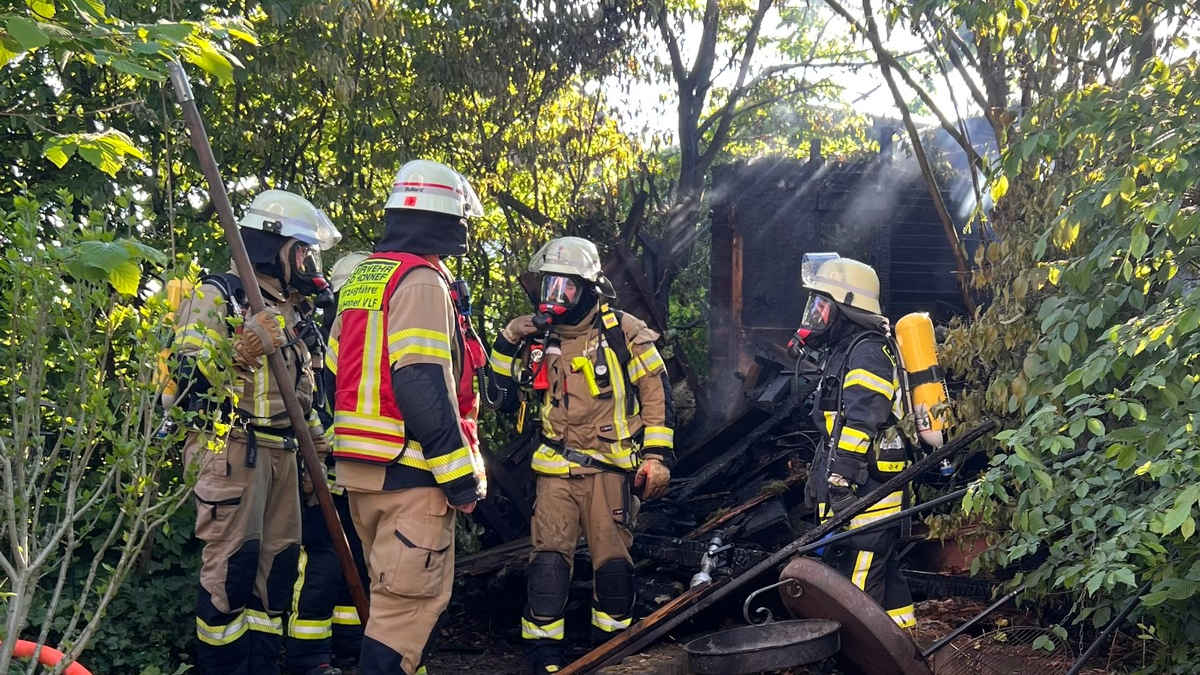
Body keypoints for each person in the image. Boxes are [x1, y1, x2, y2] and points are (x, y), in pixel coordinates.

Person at [325, 160, 489, 675]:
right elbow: (420, 384)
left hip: (364, 472)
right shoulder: (420, 280)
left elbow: (332, 375)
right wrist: (459, 478)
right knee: (404, 618)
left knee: (386, 608)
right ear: (449, 219)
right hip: (412, 475)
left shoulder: (365, 277)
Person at [488, 236, 674, 675]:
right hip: (554, 470)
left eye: (565, 288)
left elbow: (656, 395)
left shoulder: (623, 332)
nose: (555, 298)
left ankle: (610, 649)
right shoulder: (539, 337)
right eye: (549, 286)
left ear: (588, 287)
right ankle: (543, 654)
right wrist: (508, 337)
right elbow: (497, 397)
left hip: (610, 469)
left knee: (613, 565)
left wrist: (657, 457)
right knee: (549, 560)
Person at [173, 189, 341, 675]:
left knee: (277, 576)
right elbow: (183, 392)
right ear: (275, 247)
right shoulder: (218, 296)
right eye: (302, 251)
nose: (308, 263)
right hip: (232, 451)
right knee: (233, 574)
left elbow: (305, 395)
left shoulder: (296, 311)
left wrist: (317, 454)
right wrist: (241, 350)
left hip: (286, 455)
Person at [789, 254, 916, 629]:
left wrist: (840, 479)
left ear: (846, 307)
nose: (815, 314)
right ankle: (902, 649)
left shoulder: (868, 351)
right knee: (884, 574)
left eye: (822, 304)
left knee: (857, 585)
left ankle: (862, 657)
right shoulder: (848, 351)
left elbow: (863, 419)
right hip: (859, 485)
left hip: (868, 489)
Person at [283, 251, 372, 675]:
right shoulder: (318, 343)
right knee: (323, 561)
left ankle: (350, 643)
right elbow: (310, 408)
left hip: (363, 475)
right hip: (323, 475)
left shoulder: (371, 344)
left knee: (357, 558)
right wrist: (333, 449)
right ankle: (308, 657)